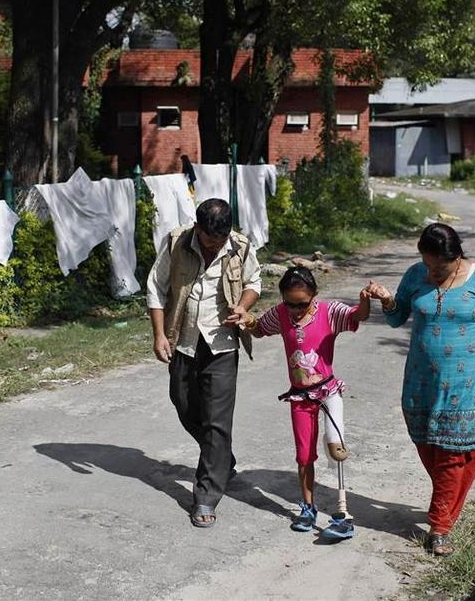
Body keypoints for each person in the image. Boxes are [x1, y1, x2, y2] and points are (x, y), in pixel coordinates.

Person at [365, 223, 475, 557]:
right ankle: (448, 503)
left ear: (457, 256)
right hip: (420, 381)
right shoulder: (414, 275)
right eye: (428, 264)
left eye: (441, 266)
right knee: (428, 446)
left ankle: (439, 527)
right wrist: (386, 300)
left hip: (464, 385)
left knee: (452, 453)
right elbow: (397, 319)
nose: (433, 272)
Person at [146, 198, 262, 528]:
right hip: (183, 338)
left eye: (221, 240)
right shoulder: (176, 241)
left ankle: (206, 495)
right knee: (183, 404)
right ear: (198, 229)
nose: (216, 246)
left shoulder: (239, 245)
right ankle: (221, 457)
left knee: (216, 420)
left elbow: (254, 282)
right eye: (211, 240)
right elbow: (156, 287)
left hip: (223, 344)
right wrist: (158, 335)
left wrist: (243, 306)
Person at [236, 265, 369, 539]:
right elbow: (260, 329)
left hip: (328, 391)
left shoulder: (330, 312)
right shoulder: (281, 314)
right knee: (304, 454)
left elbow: (358, 316)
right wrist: (246, 318)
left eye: (302, 304)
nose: (295, 310)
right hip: (299, 396)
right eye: (290, 303)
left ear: (314, 296)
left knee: (337, 447)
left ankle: (343, 513)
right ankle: (308, 508)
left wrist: (366, 299)